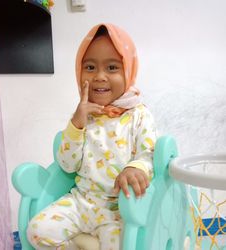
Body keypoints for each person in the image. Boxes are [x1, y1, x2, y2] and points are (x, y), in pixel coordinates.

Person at [27, 23, 157, 250]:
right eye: (89, 67)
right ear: (79, 72)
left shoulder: (139, 114)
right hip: (80, 202)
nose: (99, 76)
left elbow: (150, 154)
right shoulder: (82, 117)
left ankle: (91, 243)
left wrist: (135, 168)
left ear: (129, 71)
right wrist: (77, 123)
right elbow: (67, 165)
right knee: (37, 231)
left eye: (112, 67)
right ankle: (85, 244)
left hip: (118, 210)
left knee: (124, 244)